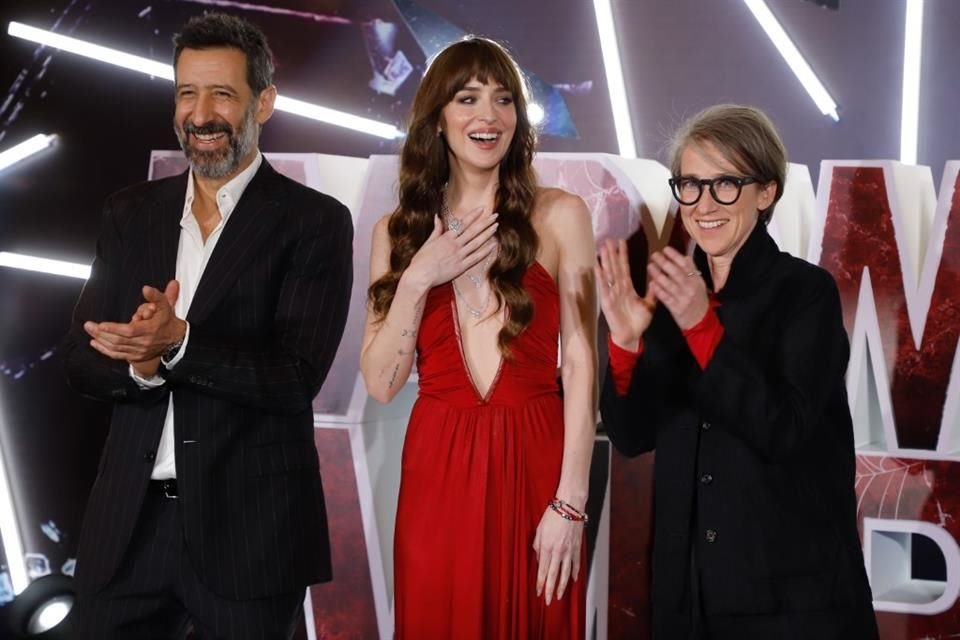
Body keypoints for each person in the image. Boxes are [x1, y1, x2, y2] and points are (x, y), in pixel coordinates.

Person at [62, 13, 353, 639]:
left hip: (251, 534)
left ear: (264, 102)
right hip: (127, 531)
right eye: (187, 93)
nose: (201, 114)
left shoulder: (313, 222)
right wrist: (139, 366)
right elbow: (79, 359)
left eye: (222, 93)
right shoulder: (129, 213)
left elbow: (294, 377)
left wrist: (178, 344)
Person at [596, 104, 878, 639]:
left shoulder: (805, 293)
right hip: (689, 601)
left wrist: (702, 326)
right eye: (691, 186)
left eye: (725, 185)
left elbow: (782, 427)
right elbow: (632, 436)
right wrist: (626, 343)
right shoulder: (672, 294)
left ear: (766, 192)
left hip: (793, 604)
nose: (704, 205)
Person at [360, 37, 597, 639]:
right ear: (437, 118)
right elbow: (383, 384)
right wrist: (418, 278)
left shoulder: (562, 214)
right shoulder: (398, 231)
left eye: (503, 100)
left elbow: (583, 364)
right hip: (439, 470)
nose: (488, 116)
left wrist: (570, 502)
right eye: (467, 98)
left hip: (537, 461)